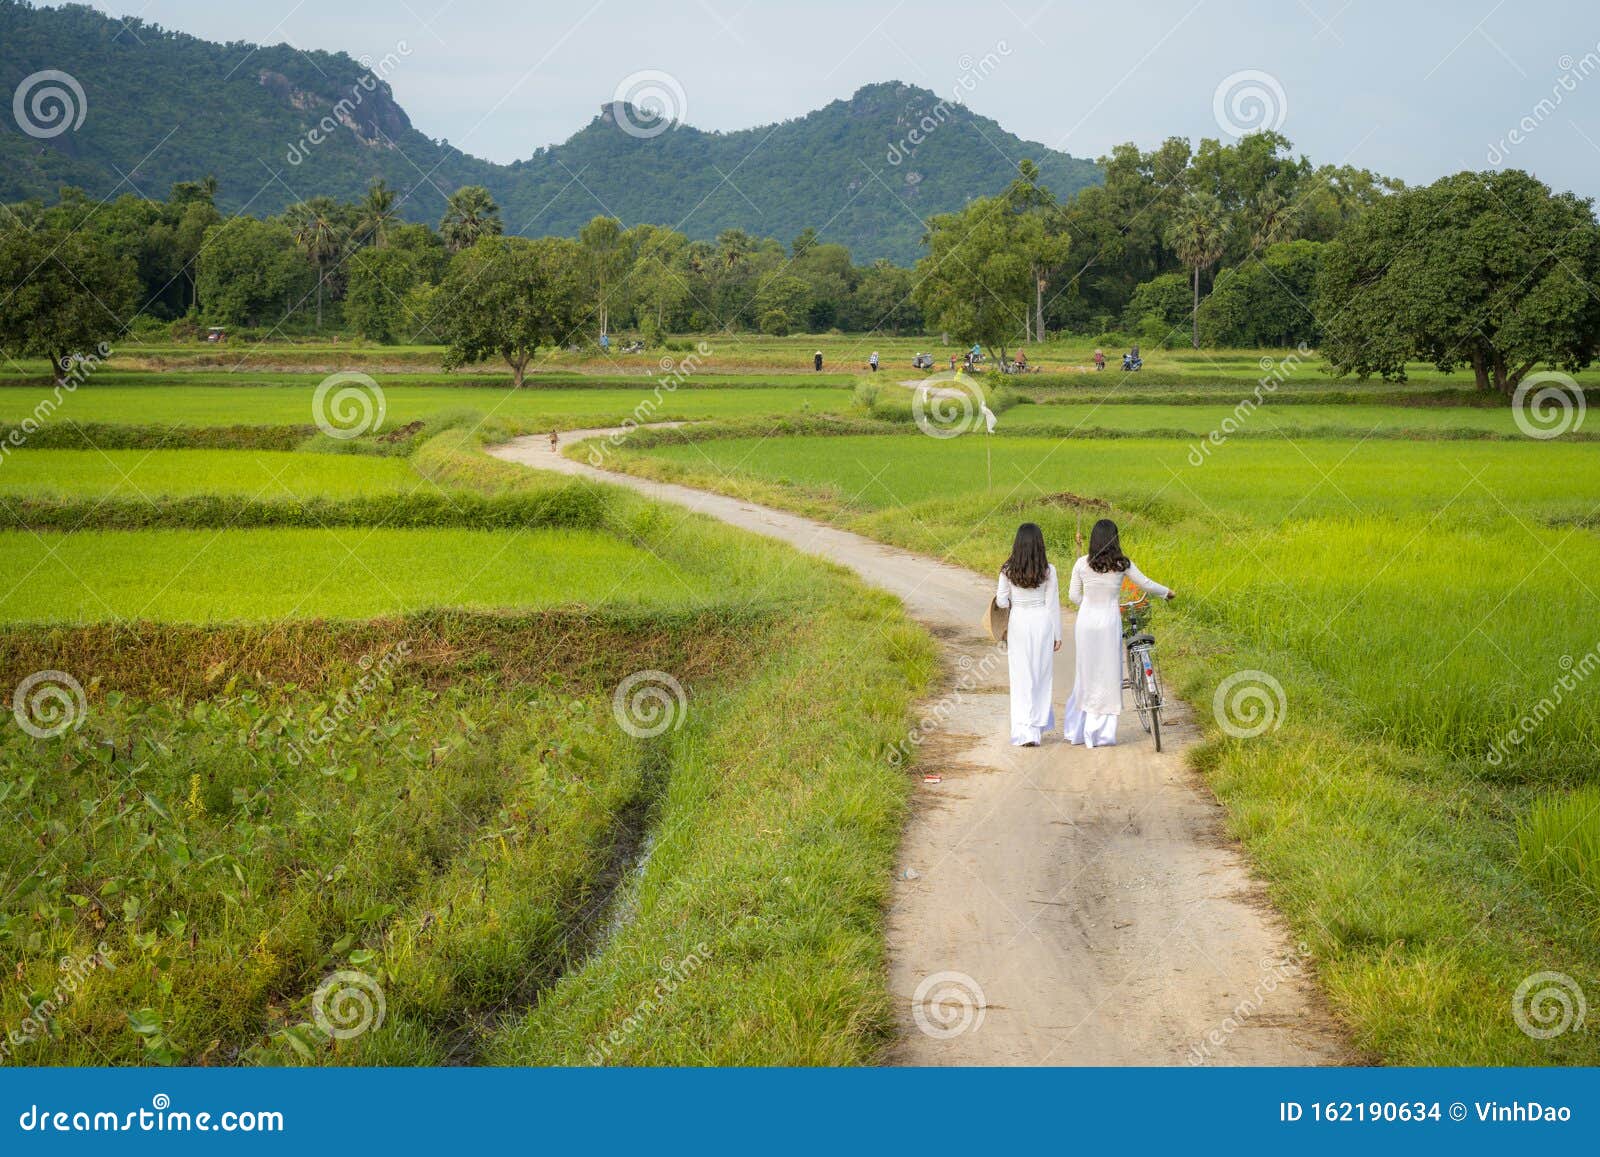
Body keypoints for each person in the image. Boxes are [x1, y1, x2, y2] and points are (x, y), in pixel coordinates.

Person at [1062, 519, 1174, 748]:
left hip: (1086, 623)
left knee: (1086, 672)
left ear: (1093, 540)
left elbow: (1073, 596)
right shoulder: (1122, 564)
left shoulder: (1081, 563)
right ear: (1115, 539)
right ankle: (1102, 733)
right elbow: (1145, 583)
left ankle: (1080, 730)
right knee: (1108, 672)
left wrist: (1088, 605)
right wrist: (1166, 592)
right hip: (1108, 621)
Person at [995, 523, 1062, 747]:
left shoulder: (1007, 569)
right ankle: (1037, 726)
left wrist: (1015, 601)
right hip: (1043, 622)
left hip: (1019, 623)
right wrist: (1057, 634)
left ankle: (1024, 731)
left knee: (1021, 675)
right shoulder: (1048, 570)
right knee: (1041, 675)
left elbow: (1001, 600)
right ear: (1040, 544)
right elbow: (1052, 604)